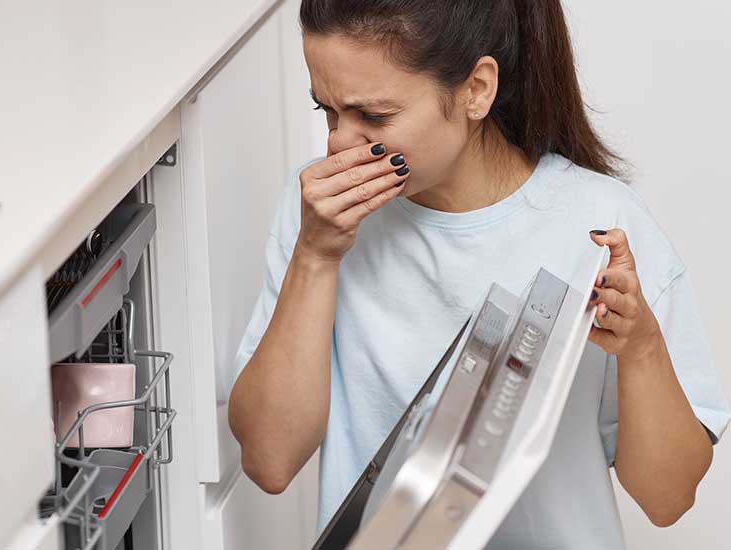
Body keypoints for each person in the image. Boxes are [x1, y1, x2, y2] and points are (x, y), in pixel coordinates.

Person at [226, 1, 731, 548]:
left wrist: (641, 349)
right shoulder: (317, 212)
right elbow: (269, 462)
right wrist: (315, 257)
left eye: (372, 117)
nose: (338, 144)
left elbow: (668, 499)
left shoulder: (600, 225)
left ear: (476, 90)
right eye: (327, 110)